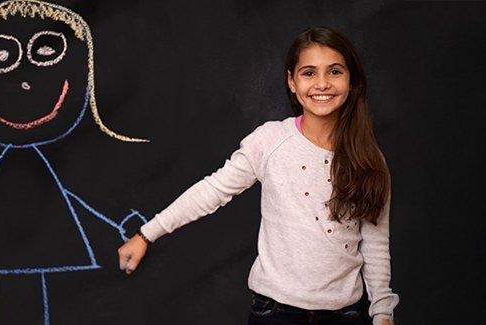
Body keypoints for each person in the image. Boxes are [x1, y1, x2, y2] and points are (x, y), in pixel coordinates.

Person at [117, 26, 399, 325]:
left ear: (351, 80)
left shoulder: (368, 157)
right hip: (276, 313)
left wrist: (383, 313)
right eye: (308, 73)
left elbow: (375, 241)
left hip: (346, 314)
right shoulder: (270, 141)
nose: (322, 83)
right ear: (291, 81)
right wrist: (147, 233)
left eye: (335, 71)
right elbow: (212, 191)